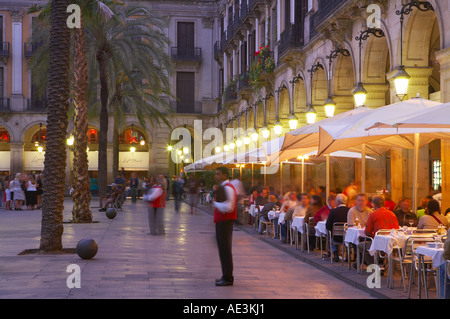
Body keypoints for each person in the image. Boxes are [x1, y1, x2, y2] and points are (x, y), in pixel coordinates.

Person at [356, 195, 399, 269]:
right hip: (392, 244)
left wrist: (374, 234)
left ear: (374, 204)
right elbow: (397, 230)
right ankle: (380, 264)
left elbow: (367, 232)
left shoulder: (373, 214)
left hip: (379, 244)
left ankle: (375, 266)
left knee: (361, 245)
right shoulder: (392, 214)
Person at [212, 167, 237, 287]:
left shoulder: (228, 188)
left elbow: (229, 207)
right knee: (223, 250)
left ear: (225, 175)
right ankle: (225, 275)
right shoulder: (224, 188)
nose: (216, 176)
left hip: (225, 221)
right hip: (222, 221)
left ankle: (228, 277)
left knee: (225, 249)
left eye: (218, 174)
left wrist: (215, 203)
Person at [326, 194, 349, 262]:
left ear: (338, 202)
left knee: (330, 234)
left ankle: (335, 254)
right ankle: (348, 254)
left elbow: (328, 226)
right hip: (347, 237)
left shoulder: (333, 211)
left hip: (336, 237)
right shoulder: (350, 211)